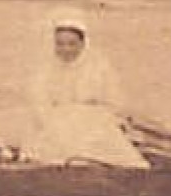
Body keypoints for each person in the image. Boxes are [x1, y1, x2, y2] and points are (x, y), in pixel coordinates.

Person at [23, 9, 149, 167]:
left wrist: (103, 116)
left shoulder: (100, 68)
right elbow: (39, 102)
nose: (66, 49)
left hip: (95, 123)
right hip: (56, 123)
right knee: (56, 134)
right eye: (60, 44)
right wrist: (53, 120)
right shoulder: (46, 70)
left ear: (83, 43)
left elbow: (115, 102)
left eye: (72, 44)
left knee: (93, 129)